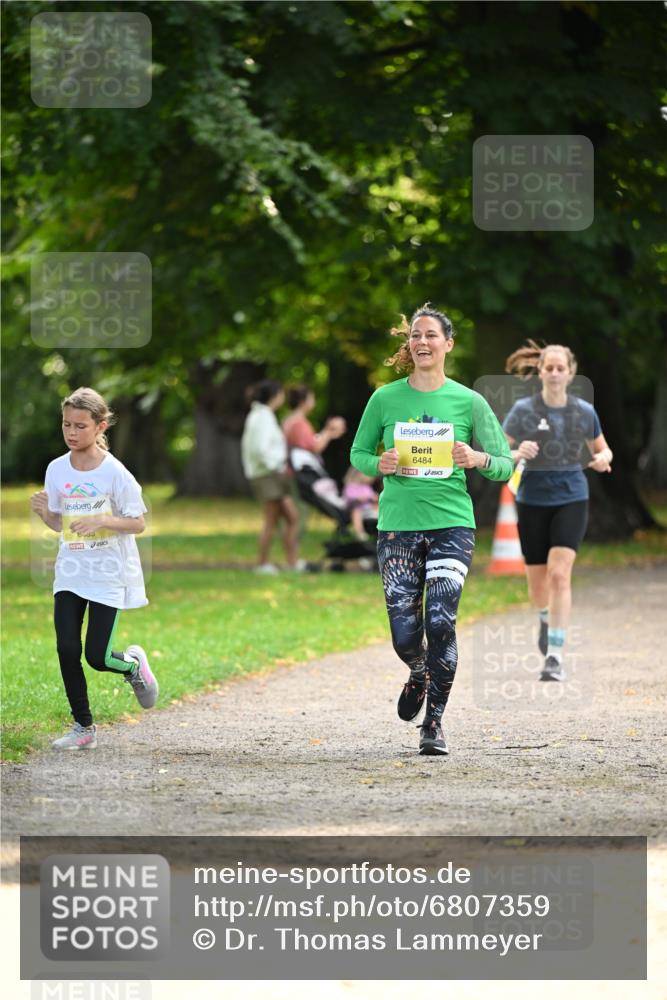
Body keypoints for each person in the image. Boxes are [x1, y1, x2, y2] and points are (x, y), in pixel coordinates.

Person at [350, 304, 513, 756]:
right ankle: (419, 671)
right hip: (397, 528)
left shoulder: (469, 401)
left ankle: (434, 724)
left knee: (440, 621)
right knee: (406, 635)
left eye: (431, 336)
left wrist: (478, 459)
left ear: (448, 345)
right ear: (409, 345)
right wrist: (376, 463)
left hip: (452, 525)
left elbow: (504, 464)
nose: (422, 342)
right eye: (415, 336)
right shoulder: (384, 399)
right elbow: (358, 454)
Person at [30, 387, 158, 751]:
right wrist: (45, 513)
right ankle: (83, 726)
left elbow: (137, 524)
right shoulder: (56, 468)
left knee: (97, 657)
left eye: (80, 426)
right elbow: (62, 524)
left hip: (106, 573)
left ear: (100, 426)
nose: (72, 432)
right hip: (70, 571)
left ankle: (132, 666)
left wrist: (103, 519)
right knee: (67, 649)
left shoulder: (115, 472)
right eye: (66, 424)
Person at [503, 340, 612, 681]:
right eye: (548, 367)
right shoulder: (522, 410)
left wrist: (602, 459)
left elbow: (603, 449)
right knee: (537, 584)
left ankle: (555, 656)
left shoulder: (583, 411)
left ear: (570, 372)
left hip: (571, 497)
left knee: (559, 574)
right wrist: (519, 451)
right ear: (540, 371)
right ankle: (545, 617)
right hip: (531, 500)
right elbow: (498, 452)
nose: (553, 373)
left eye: (560, 368)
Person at [241, 379, 301, 574]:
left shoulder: (263, 415)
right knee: (272, 519)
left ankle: (292, 562)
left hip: (271, 473)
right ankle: (262, 563)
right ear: (274, 396)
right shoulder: (262, 417)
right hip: (267, 475)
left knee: (291, 517)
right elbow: (260, 448)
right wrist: (276, 466)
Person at [282, 384, 347, 457]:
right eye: (311, 398)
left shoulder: (288, 420)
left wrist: (327, 431)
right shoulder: (299, 423)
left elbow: (309, 441)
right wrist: (328, 432)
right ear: (302, 402)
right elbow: (314, 447)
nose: (313, 402)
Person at [342, 466, 379, 540]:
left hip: (369, 510)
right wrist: (360, 498)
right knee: (356, 510)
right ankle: (360, 532)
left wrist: (375, 498)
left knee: (379, 506)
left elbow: (373, 497)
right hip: (357, 510)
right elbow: (349, 498)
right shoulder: (351, 486)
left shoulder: (367, 487)